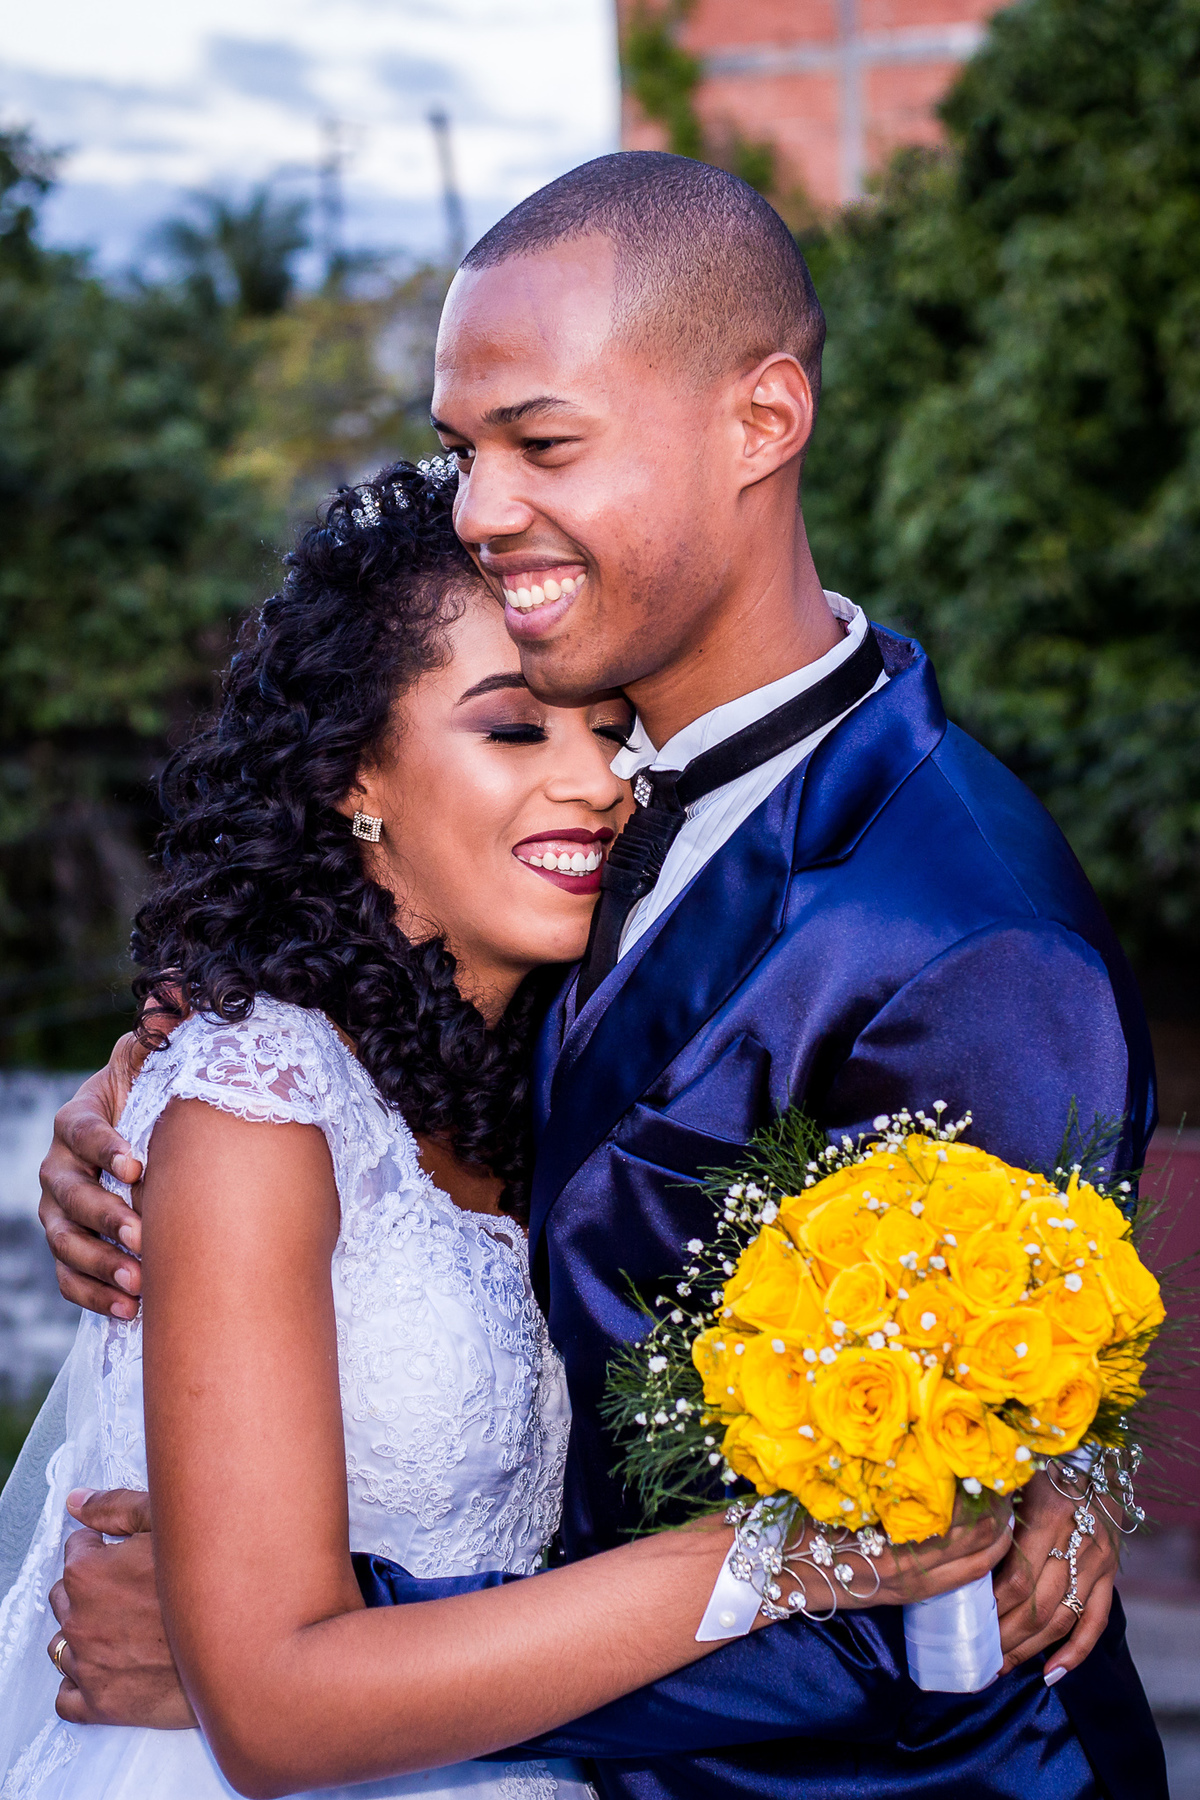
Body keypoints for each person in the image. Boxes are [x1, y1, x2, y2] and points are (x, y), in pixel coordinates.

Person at [37, 153, 1165, 1799]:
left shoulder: (968, 937)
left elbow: (932, 1606)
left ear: (762, 421)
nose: (480, 509)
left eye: (543, 444)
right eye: (463, 451)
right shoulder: (584, 817)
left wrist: (315, 1644)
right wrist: (149, 1106)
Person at [0, 459, 1007, 1798]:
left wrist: (1046, 1484)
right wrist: (789, 1556)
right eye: (516, 731)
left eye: (615, 733)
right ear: (353, 772)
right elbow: (277, 1716)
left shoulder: (549, 1076)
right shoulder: (258, 1105)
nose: (595, 783)